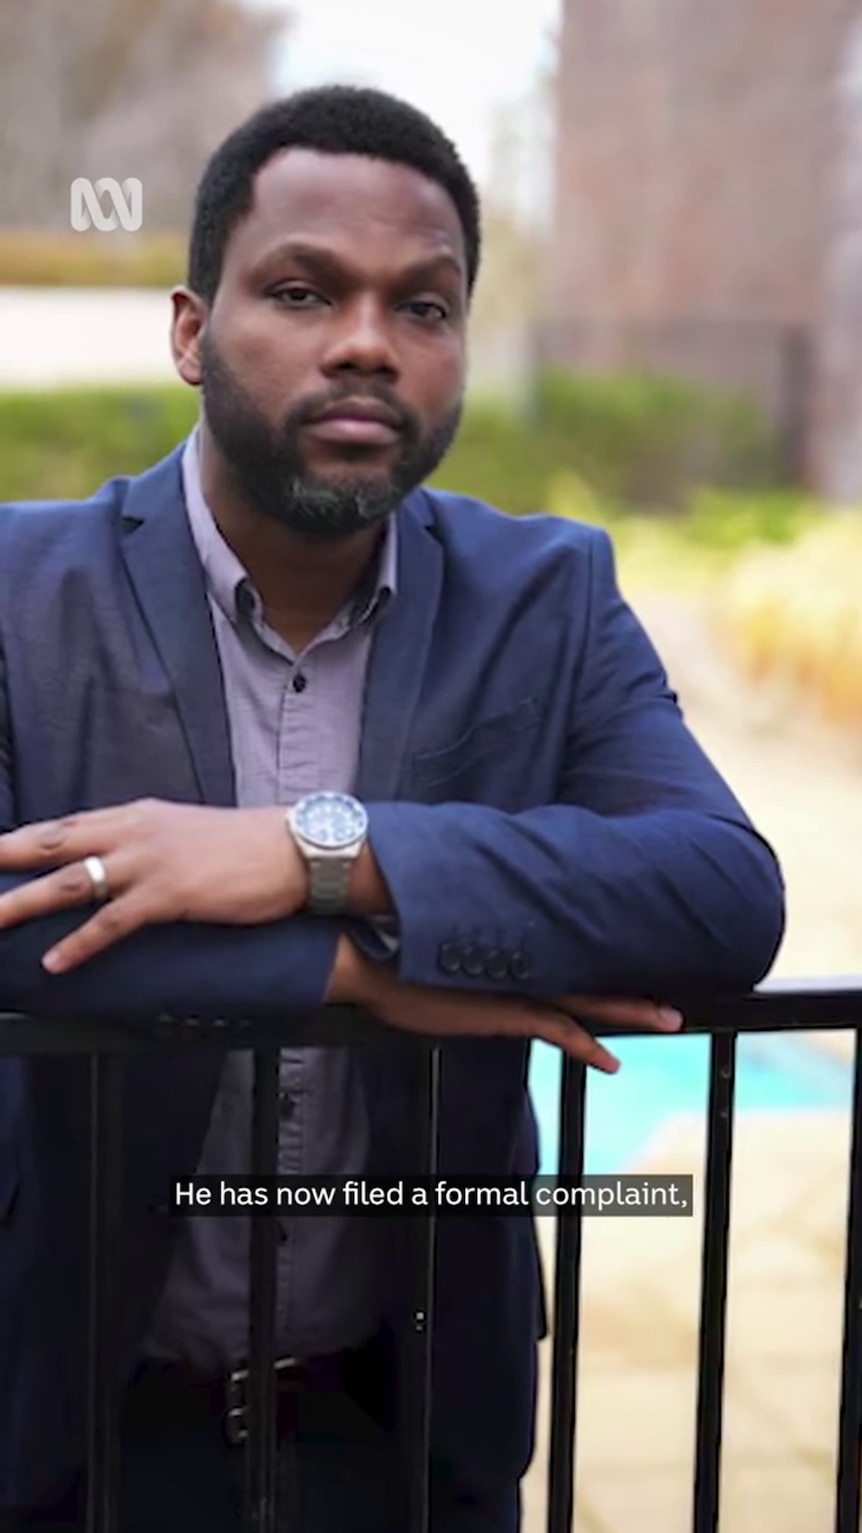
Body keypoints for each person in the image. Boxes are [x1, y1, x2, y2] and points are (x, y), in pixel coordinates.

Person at [0, 85, 784, 1533]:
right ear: (190, 328)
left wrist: (316, 854)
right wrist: (368, 969)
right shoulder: (17, 589)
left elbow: (718, 895)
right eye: (302, 289)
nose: (367, 340)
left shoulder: (545, 596)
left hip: (414, 1428)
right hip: (70, 1425)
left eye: (422, 307)